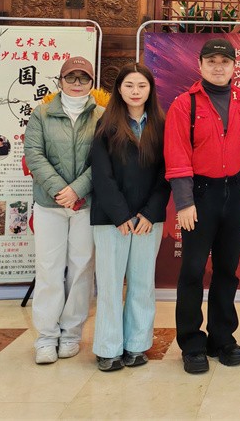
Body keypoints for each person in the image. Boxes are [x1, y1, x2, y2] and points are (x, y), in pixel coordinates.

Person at [164, 38, 240, 374]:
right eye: (212, 61)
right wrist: (185, 202)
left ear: (234, 66)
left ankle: (222, 338)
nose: (219, 67)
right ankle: (191, 343)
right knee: (192, 270)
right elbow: (176, 153)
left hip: (233, 191)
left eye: (225, 61)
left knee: (227, 270)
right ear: (200, 65)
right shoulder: (184, 104)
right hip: (199, 194)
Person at [24, 56, 104, 365]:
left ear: (92, 83)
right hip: (50, 204)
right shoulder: (41, 114)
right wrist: (61, 191)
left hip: (86, 205)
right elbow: (34, 154)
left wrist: (78, 190)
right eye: (71, 77)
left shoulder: (103, 116)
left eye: (84, 78)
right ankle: (46, 336)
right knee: (49, 269)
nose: (77, 83)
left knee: (82, 269)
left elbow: (105, 159)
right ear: (60, 80)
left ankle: (71, 333)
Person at [91, 63, 170, 372]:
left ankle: (136, 345)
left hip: (148, 220)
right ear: (119, 90)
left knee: (142, 283)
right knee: (110, 285)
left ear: (150, 90)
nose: (135, 91)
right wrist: (120, 214)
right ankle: (108, 349)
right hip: (112, 219)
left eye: (141, 86)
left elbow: (167, 174)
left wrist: (150, 213)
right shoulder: (105, 124)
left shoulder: (162, 125)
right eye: (129, 86)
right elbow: (101, 175)